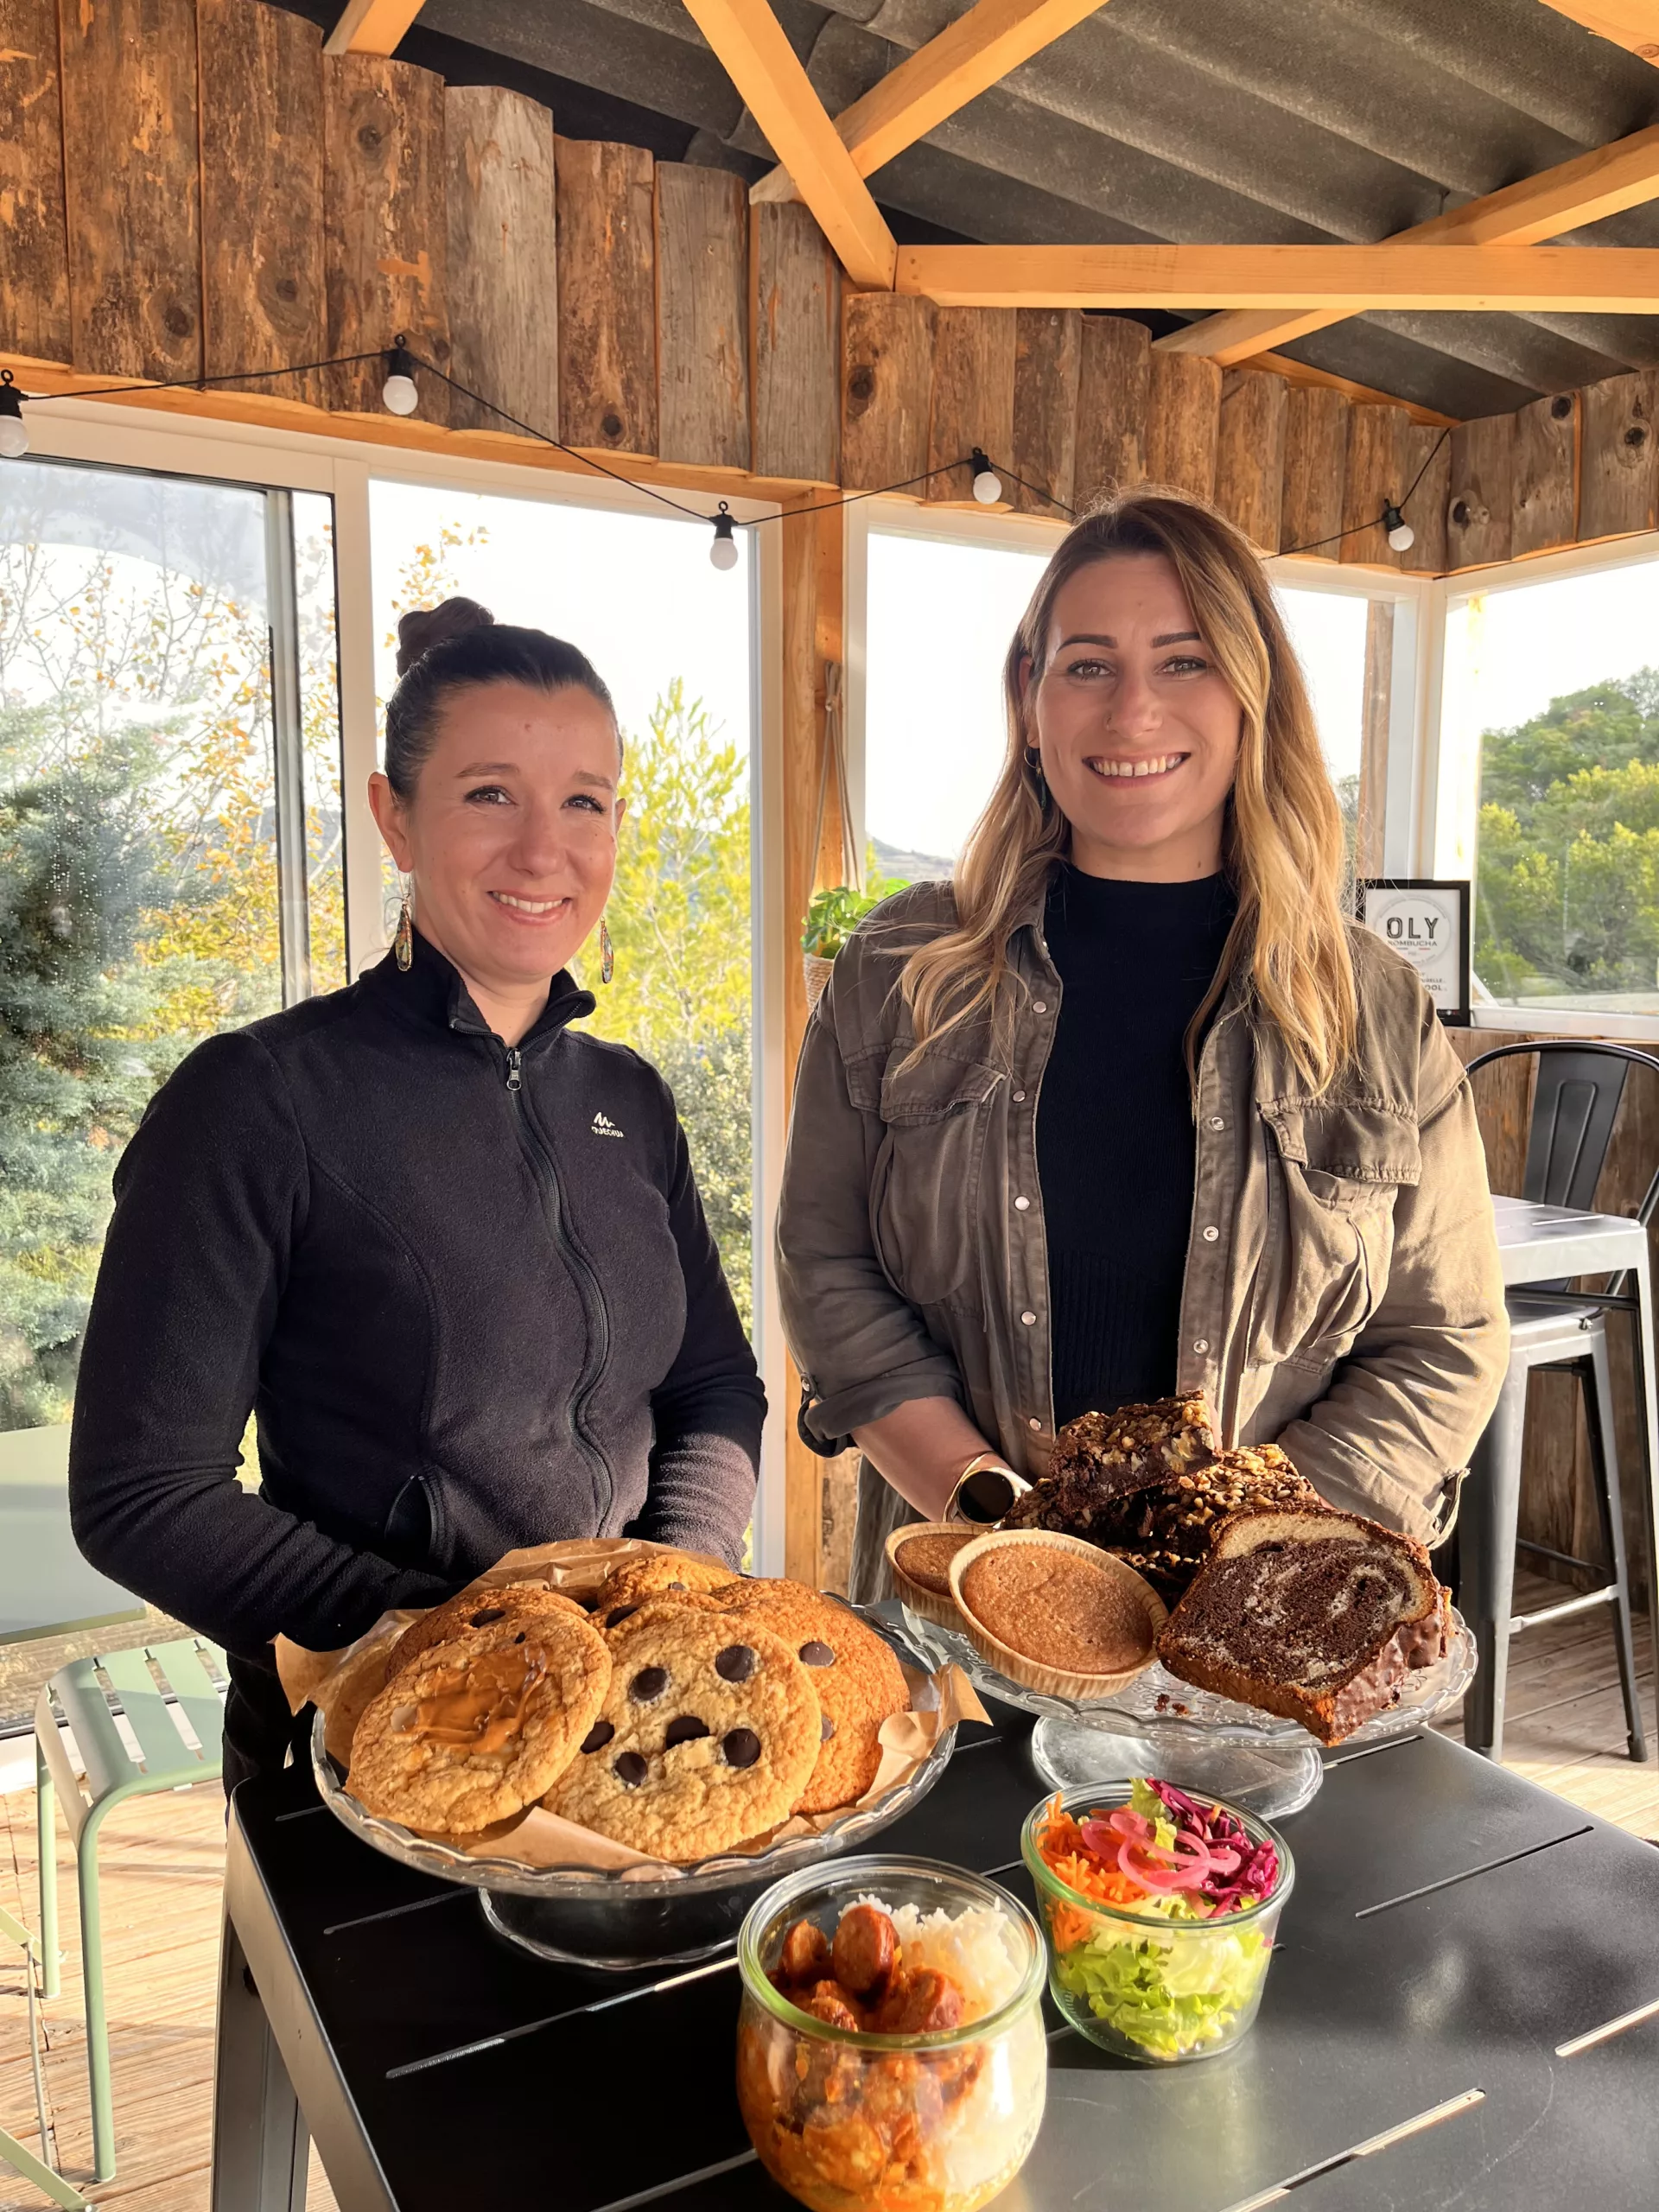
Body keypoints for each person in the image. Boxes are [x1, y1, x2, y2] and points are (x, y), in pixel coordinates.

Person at [69, 599, 766, 1789]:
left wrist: (662, 1603)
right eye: (491, 794)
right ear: (394, 818)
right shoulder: (260, 1098)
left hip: (630, 1744)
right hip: (378, 1749)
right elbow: (143, 1493)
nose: (544, 851)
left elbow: (711, 1384)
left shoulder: (630, 1101)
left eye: (584, 802)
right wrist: (460, 1643)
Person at [777, 488, 1508, 1603]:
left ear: (1252, 691)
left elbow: (1445, 1337)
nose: (1132, 713)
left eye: (1184, 661)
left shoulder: (1373, 1009)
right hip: (966, 1616)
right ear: (1029, 698)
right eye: (1087, 665)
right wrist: (996, 1517)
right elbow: (827, 1269)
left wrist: (1238, 1547)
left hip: (1262, 1638)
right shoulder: (898, 973)